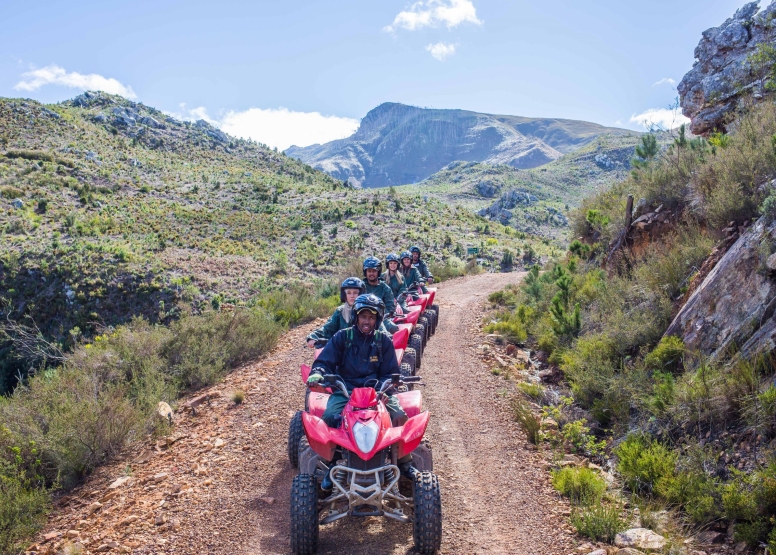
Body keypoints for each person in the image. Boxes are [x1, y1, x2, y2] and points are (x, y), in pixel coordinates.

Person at [306, 294, 407, 429]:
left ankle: (398, 450)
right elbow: (325, 361)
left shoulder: (383, 341)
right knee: (329, 418)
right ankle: (335, 450)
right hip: (346, 391)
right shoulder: (342, 336)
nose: (367, 321)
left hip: (376, 392)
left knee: (399, 416)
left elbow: (390, 373)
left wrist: (383, 391)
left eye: (371, 318)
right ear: (356, 317)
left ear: (377, 320)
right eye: (363, 317)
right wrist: (318, 372)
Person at [306, 277, 392, 346]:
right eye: (349, 293)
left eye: (355, 293)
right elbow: (327, 328)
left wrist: (387, 339)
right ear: (344, 294)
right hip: (343, 350)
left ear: (361, 294)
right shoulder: (340, 311)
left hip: (365, 349)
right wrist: (313, 336)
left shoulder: (369, 310)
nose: (352, 296)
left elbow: (380, 328)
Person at [362, 256, 400, 333]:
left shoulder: (385, 288)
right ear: (365, 272)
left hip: (381, 317)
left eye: (374, 271)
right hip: (362, 317)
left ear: (378, 272)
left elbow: (390, 306)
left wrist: (383, 314)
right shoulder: (361, 286)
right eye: (369, 271)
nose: (371, 273)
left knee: (394, 329)